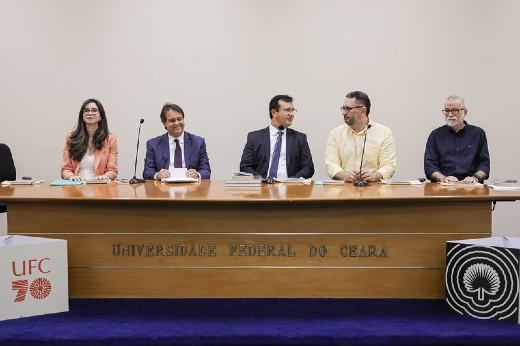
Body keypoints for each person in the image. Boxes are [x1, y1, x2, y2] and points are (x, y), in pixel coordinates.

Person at [325, 91, 396, 182]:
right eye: (343, 108)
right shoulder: (335, 134)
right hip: (345, 190)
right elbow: (331, 165)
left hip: (374, 190)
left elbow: (389, 166)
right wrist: (346, 176)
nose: (343, 113)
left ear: (362, 111)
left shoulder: (384, 133)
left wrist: (374, 176)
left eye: (348, 109)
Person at [239, 95, 314, 179]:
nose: (292, 114)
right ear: (274, 113)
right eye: (287, 110)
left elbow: (308, 168)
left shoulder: (300, 138)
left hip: (291, 188)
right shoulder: (255, 137)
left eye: (292, 110)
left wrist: (291, 181)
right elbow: (245, 167)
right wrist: (262, 181)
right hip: (263, 188)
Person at [424, 95, 490, 183]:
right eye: (447, 111)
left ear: (465, 112)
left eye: (455, 110)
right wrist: (443, 178)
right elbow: (429, 166)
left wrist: (475, 177)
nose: (450, 115)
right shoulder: (435, 135)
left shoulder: (478, 134)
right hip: (443, 188)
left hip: (471, 187)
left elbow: (484, 164)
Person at [143, 103, 211, 180]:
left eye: (179, 119)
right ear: (164, 123)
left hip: (191, 187)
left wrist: (197, 175)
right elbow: (147, 172)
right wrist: (157, 175)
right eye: (172, 120)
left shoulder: (198, 142)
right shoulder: (153, 144)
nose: (177, 123)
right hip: (163, 188)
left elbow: (206, 171)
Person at [61, 99, 118, 181]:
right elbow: (66, 169)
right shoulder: (71, 138)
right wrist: (71, 177)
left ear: (101, 116)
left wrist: (105, 176)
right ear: (82, 115)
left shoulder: (111, 139)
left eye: (94, 110)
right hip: (76, 186)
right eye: (86, 110)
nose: (90, 113)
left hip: (99, 186)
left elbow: (112, 170)